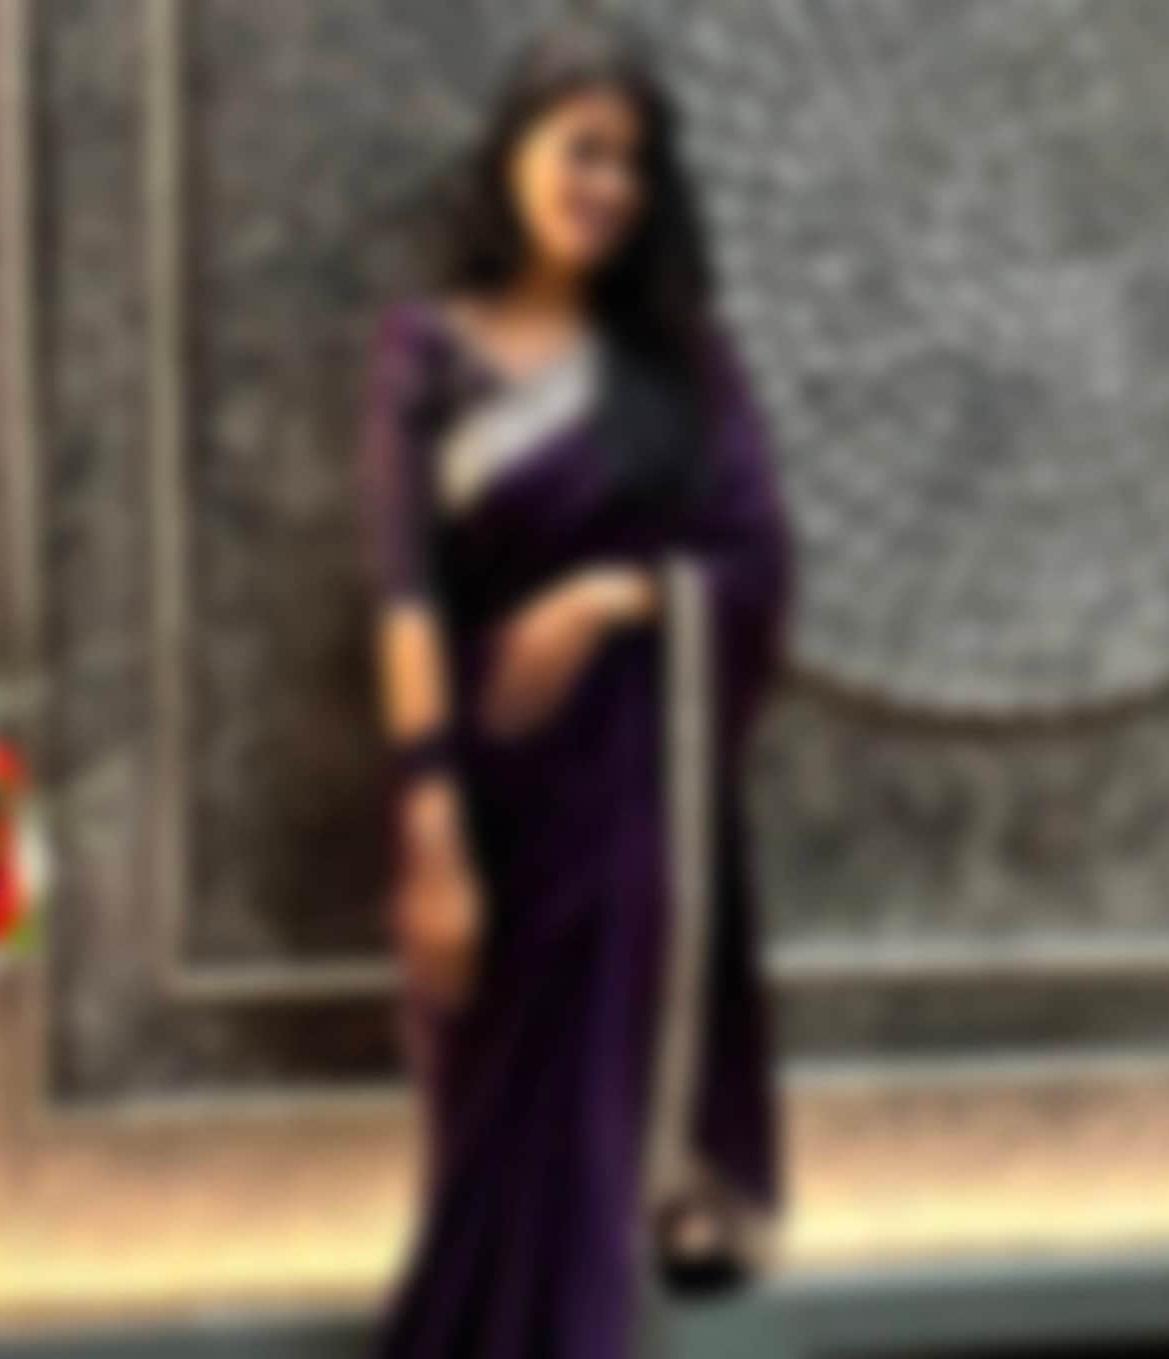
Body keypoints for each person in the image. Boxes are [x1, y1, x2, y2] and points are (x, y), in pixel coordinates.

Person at [359, 20, 794, 1358]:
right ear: (516, 155)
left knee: (583, 1163)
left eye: (631, 160)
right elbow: (404, 594)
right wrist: (433, 826)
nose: (605, 181)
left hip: (621, 813)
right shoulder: (425, 348)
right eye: (580, 147)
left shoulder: (683, 367)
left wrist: (609, 594)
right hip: (478, 801)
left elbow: (759, 560)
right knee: (479, 1157)